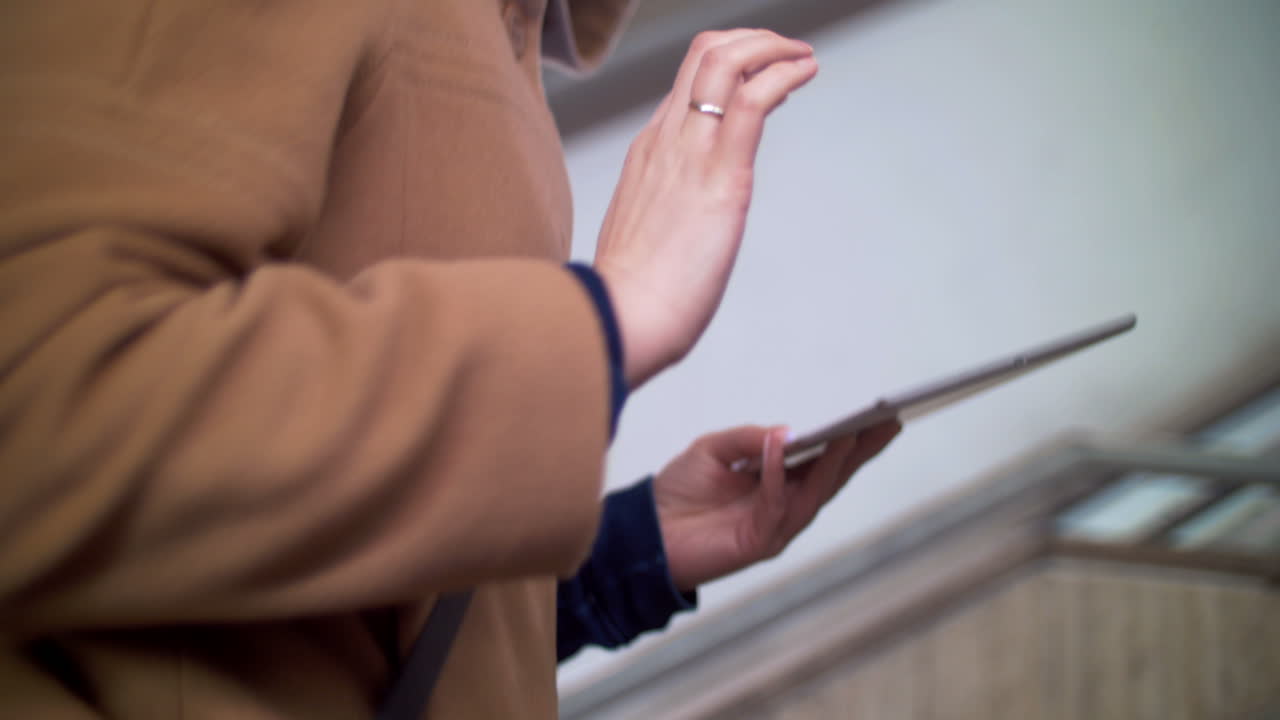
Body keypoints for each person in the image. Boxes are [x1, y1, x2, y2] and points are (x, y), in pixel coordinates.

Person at [0, 1, 898, 717]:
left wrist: (622, 559)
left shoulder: (499, 28)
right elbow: (43, 407)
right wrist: (611, 321)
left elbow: (300, 607)